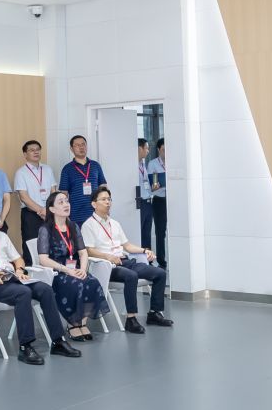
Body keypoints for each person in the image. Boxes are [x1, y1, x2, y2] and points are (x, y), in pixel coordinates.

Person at [0, 193, 66, 364]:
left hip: (11, 278)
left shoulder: (2, 236)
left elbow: (18, 259)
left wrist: (20, 269)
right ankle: (25, 347)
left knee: (45, 289)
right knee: (23, 293)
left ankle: (58, 341)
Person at [82, 185, 174, 334]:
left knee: (159, 273)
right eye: (103, 199)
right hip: (106, 266)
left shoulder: (114, 223)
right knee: (131, 276)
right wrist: (108, 257)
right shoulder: (88, 225)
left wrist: (144, 250)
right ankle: (131, 319)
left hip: (125, 261)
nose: (108, 202)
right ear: (94, 204)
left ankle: (154, 313)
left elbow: (127, 246)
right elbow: (88, 250)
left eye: (109, 199)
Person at [35, 191, 107, 351]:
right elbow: (43, 259)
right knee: (76, 285)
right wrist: (66, 270)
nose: (66, 204)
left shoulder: (73, 226)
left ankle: (82, 322)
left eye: (66, 201)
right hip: (57, 272)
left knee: (92, 282)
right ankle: (73, 324)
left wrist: (82, 269)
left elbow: (83, 253)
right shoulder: (45, 229)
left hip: (75, 269)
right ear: (51, 209)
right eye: (60, 202)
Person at [56, 134, 106, 235]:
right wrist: (64, 214)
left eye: (83, 144)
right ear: (71, 149)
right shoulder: (67, 169)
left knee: (98, 241)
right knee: (79, 243)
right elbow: (63, 194)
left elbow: (103, 188)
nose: (81, 147)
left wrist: (105, 207)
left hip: (96, 214)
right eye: (77, 145)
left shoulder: (95, 165)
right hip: (76, 216)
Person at [13, 139, 55, 249]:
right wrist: (41, 210)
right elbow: (24, 197)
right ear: (25, 154)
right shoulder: (21, 173)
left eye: (38, 149)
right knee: (31, 245)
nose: (36, 152)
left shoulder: (48, 169)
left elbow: (53, 192)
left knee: (51, 244)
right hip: (31, 214)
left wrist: (49, 210)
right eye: (32, 150)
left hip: (49, 213)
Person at [149, 138, 170, 257]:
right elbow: (152, 187)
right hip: (159, 200)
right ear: (158, 150)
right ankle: (161, 260)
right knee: (160, 231)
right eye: (163, 150)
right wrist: (158, 184)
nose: (166, 153)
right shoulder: (153, 164)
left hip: (173, 200)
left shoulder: (173, 162)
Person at [134, 139, 155, 255]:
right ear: (139, 148)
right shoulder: (132, 164)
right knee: (140, 231)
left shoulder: (143, 163)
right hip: (140, 203)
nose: (148, 151)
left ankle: (148, 258)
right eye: (146, 148)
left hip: (148, 202)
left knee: (147, 232)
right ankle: (141, 258)